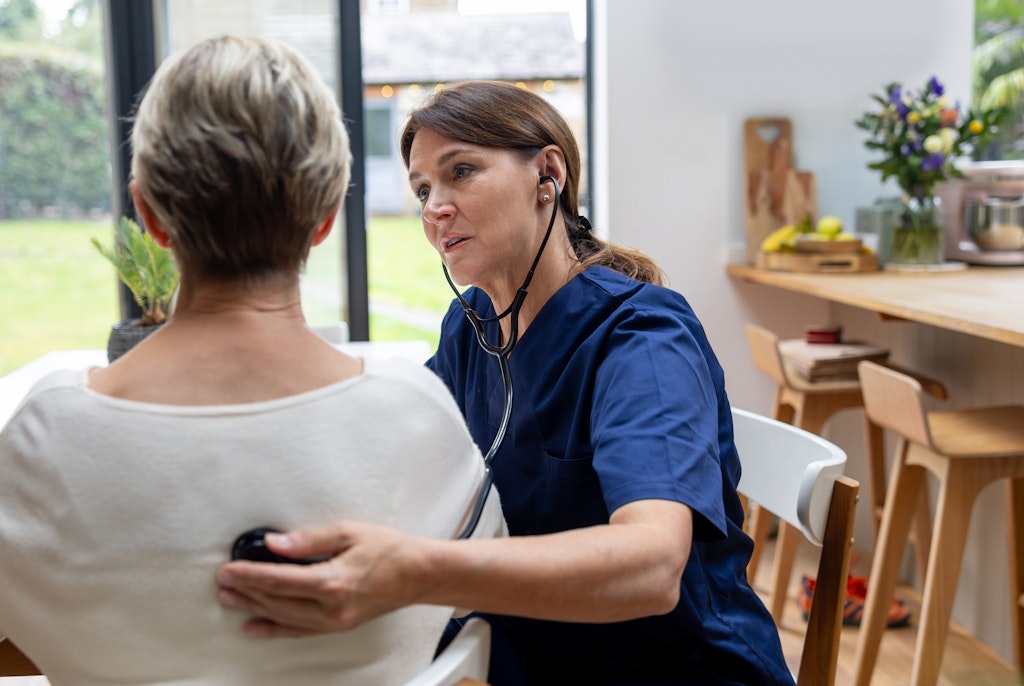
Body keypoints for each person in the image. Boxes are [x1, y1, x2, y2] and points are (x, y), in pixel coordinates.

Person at [217, 80, 794, 685]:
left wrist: (418, 572)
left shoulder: (640, 338)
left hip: (668, 669)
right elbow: (396, 451)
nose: (434, 208)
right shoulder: (470, 328)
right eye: (422, 189)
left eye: (461, 171)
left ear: (548, 174)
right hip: (526, 653)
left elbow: (651, 568)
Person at [0, 37, 504, 685]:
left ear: (149, 214)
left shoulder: (47, 434)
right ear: (326, 217)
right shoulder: (412, 413)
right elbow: (481, 589)